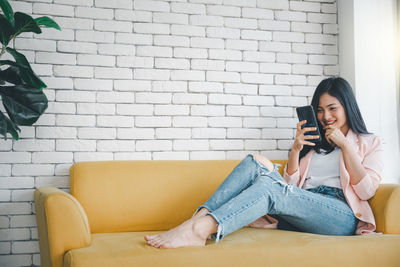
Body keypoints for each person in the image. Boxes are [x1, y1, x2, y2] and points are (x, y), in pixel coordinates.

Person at [144, 77, 383, 249]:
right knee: (255, 162)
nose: (325, 117)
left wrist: (345, 146)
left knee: (270, 187)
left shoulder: (368, 142)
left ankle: (200, 230)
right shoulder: (314, 143)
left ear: (347, 107)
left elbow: (367, 190)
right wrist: (296, 149)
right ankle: (197, 219)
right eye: (319, 110)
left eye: (332, 108)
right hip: (304, 206)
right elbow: (291, 188)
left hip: (339, 214)